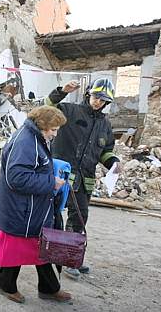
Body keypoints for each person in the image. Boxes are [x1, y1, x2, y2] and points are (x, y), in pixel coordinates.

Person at [0, 105, 72, 304]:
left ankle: (48, 288)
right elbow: (16, 178)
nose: (55, 134)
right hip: (22, 210)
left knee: (40, 246)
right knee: (21, 248)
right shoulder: (26, 142)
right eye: (53, 130)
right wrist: (50, 182)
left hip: (28, 209)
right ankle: (7, 285)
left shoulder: (35, 138)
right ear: (42, 125)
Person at [45, 77, 121, 280]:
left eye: (103, 99)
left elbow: (105, 151)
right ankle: (53, 255)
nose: (98, 102)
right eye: (96, 96)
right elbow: (47, 108)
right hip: (60, 176)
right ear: (89, 94)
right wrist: (62, 90)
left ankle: (72, 258)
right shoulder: (69, 111)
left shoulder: (105, 125)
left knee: (79, 218)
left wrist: (113, 162)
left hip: (84, 180)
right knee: (52, 216)